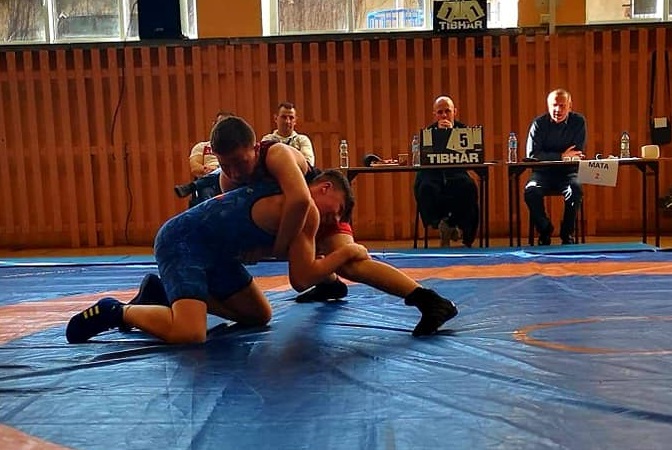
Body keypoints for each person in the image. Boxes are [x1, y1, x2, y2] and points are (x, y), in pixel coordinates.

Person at [66, 169, 371, 345]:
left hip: (218, 251)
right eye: (338, 210)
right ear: (325, 187)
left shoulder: (293, 198)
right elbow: (302, 279)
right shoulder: (301, 204)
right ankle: (115, 311)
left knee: (258, 315)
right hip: (183, 241)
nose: (335, 219)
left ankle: (162, 294)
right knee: (190, 334)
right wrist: (346, 251)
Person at [414, 95, 479, 248]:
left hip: (457, 173)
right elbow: (422, 159)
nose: (444, 115)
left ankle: (453, 225)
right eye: (440, 112)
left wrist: (451, 135)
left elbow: (473, 156)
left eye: (447, 111)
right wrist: (440, 137)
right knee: (424, 187)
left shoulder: (464, 131)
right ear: (434, 115)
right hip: (434, 173)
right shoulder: (428, 133)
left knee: (469, 186)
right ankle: (439, 223)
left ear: (454, 112)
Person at [524, 88, 586, 245]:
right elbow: (533, 155)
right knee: (531, 191)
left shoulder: (578, 122)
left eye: (562, 105)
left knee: (575, 189)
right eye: (554, 105)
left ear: (570, 106)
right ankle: (545, 229)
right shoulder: (539, 124)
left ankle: (567, 233)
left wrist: (548, 155)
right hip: (542, 173)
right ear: (548, 106)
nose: (557, 110)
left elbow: (577, 152)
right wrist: (561, 156)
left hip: (568, 172)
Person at [173, 111, 233, 204]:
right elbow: (195, 167)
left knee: (221, 170)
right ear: (214, 125)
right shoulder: (202, 146)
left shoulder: (237, 147)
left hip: (231, 179)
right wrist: (206, 169)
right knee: (206, 190)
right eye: (220, 124)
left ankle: (192, 186)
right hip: (209, 181)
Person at [261, 101, 315, 166]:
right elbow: (262, 164)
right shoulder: (267, 140)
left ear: (295, 120)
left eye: (291, 118)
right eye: (284, 117)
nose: (287, 121)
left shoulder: (302, 140)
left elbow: (308, 165)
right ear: (275, 118)